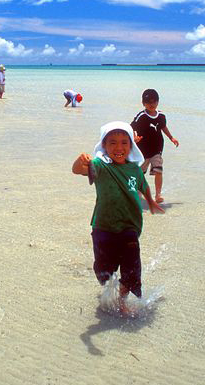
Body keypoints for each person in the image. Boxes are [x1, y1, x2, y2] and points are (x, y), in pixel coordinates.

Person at [72, 121, 165, 315]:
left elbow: (142, 184)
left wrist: (150, 200)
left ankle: (122, 301)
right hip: (103, 227)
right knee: (104, 270)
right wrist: (81, 161)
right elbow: (78, 170)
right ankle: (108, 288)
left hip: (130, 226)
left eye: (124, 142)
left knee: (132, 268)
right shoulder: (100, 165)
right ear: (104, 146)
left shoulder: (135, 169)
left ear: (131, 146)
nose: (119, 147)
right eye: (112, 142)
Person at [131, 89, 179, 203]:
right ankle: (137, 192)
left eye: (154, 101)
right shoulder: (141, 116)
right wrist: (134, 138)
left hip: (157, 149)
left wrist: (171, 138)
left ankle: (158, 195)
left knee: (158, 170)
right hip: (142, 151)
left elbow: (163, 127)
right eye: (148, 102)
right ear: (143, 103)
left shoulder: (161, 116)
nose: (151, 104)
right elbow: (131, 127)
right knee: (139, 173)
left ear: (158, 102)